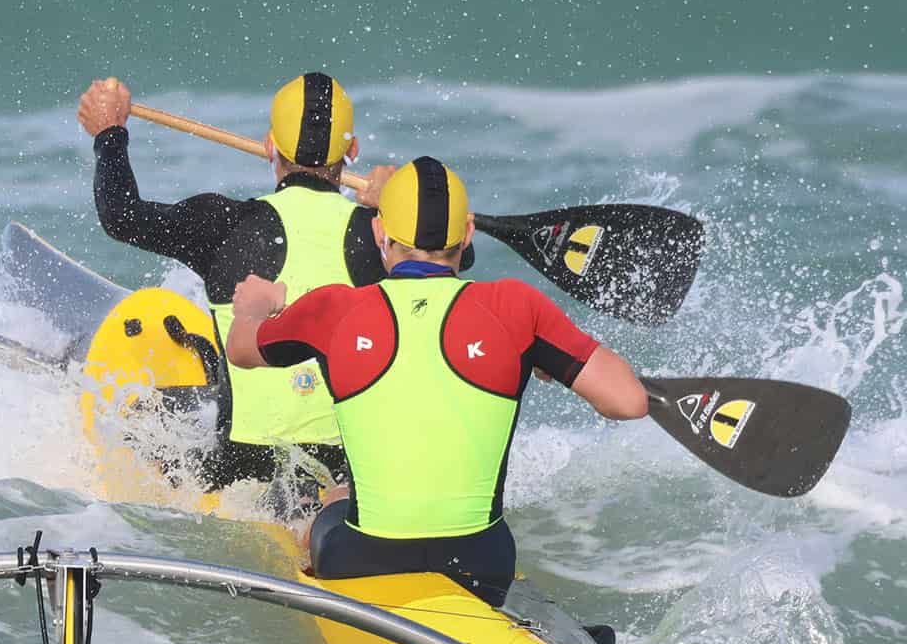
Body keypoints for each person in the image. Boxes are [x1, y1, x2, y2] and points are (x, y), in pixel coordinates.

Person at [222, 156, 648, 601]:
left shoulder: (333, 309)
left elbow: (243, 350)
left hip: (361, 559)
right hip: (484, 565)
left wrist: (256, 305)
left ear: (379, 233)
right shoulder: (518, 308)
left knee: (332, 502)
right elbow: (629, 401)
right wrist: (544, 356)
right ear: (466, 234)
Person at [78, 73, 415, 497]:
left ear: (270, 146)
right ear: (352, 151)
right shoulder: (386, 238)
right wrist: (399, 207)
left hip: (239, 474)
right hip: (349, 474)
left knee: (151, 424)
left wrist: (109, 133)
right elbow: (453, 258)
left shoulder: (222, 224)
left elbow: (121, 216)